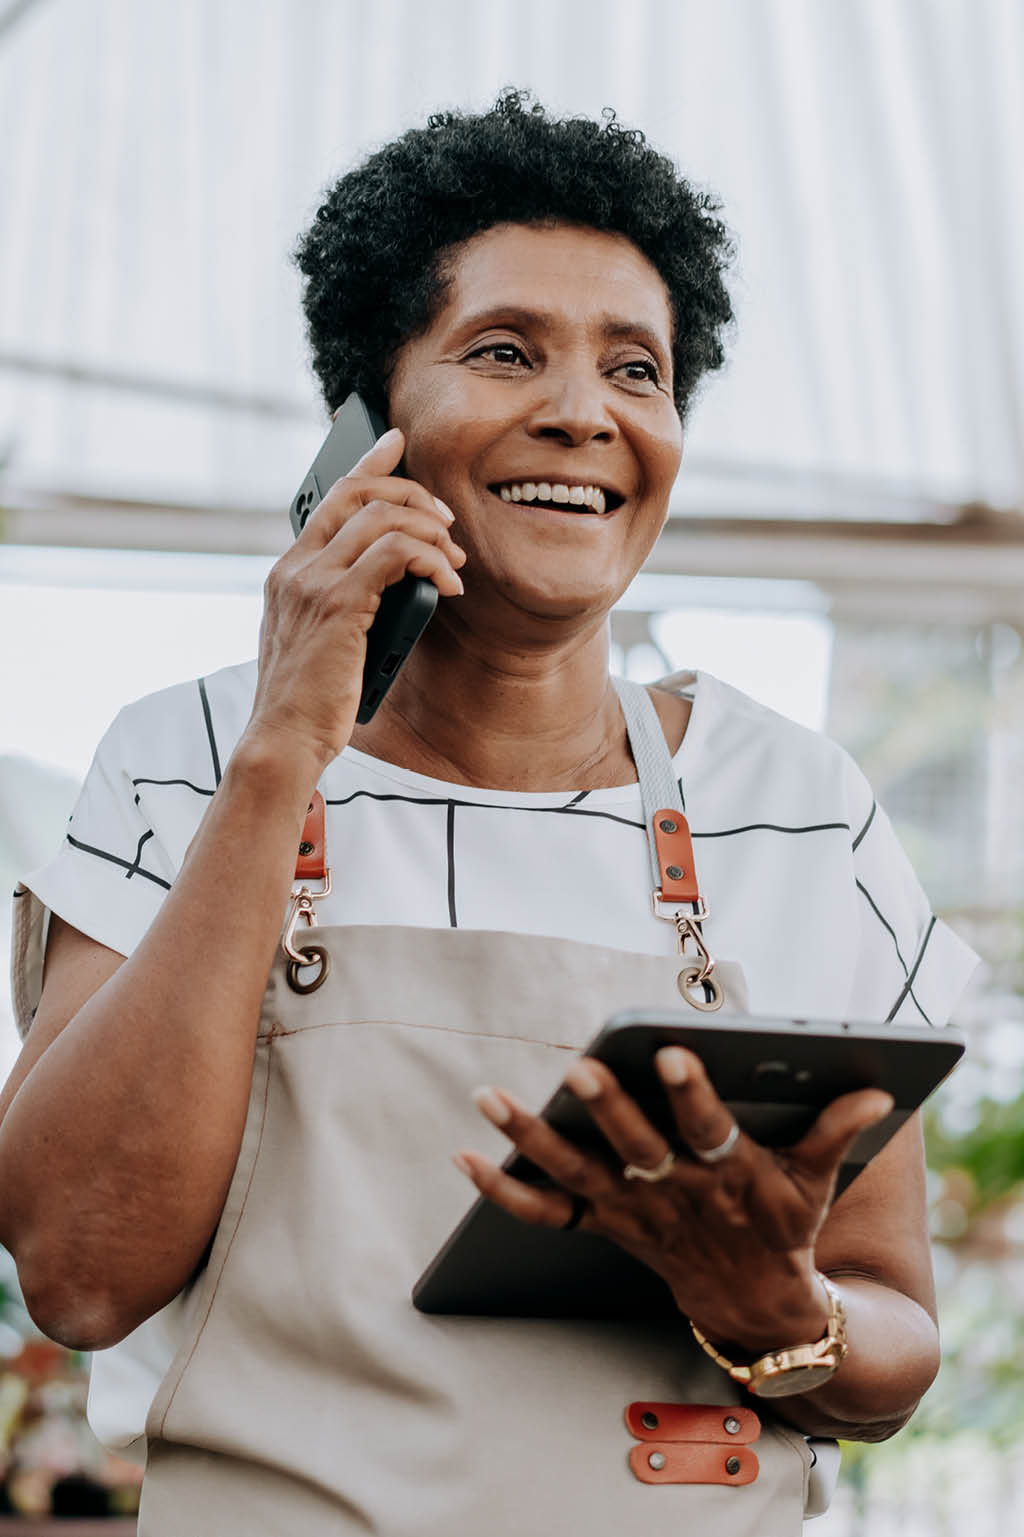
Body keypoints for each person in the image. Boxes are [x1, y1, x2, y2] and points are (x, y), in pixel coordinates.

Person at [1, 90, 978, 1535]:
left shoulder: (797, 811)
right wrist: (282, 753)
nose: (584, 412)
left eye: (637, 370)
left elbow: (896, 1332)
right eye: (506, 350)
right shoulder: (190, 754)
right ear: (367, 416)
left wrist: (784, 1309)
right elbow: (80, 1266)